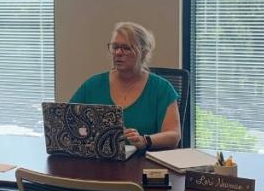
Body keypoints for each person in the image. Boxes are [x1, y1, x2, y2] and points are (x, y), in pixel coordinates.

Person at [70, 21, 181, 152]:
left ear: (144, 52)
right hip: (99, 163)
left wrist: (144, 140)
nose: (118, 53)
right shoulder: (92, 85)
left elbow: (174, 135)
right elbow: (68, 121)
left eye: (126, 48)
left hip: (144, 165)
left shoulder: (162, 88)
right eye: (114, 47)